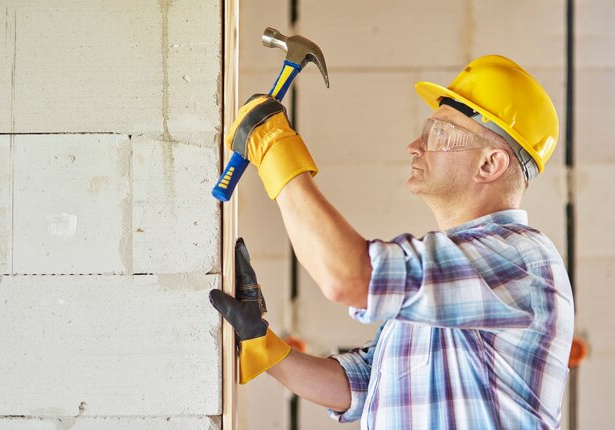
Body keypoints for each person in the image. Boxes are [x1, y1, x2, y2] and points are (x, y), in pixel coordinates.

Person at [209, 55, 574, 429]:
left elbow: (348, 277)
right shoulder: (453, 274)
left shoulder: (516, 259)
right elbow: (366, 383)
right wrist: (265, 347)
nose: (416, 146)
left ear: (489, 165)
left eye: (440, 134)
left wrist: (275, 149)